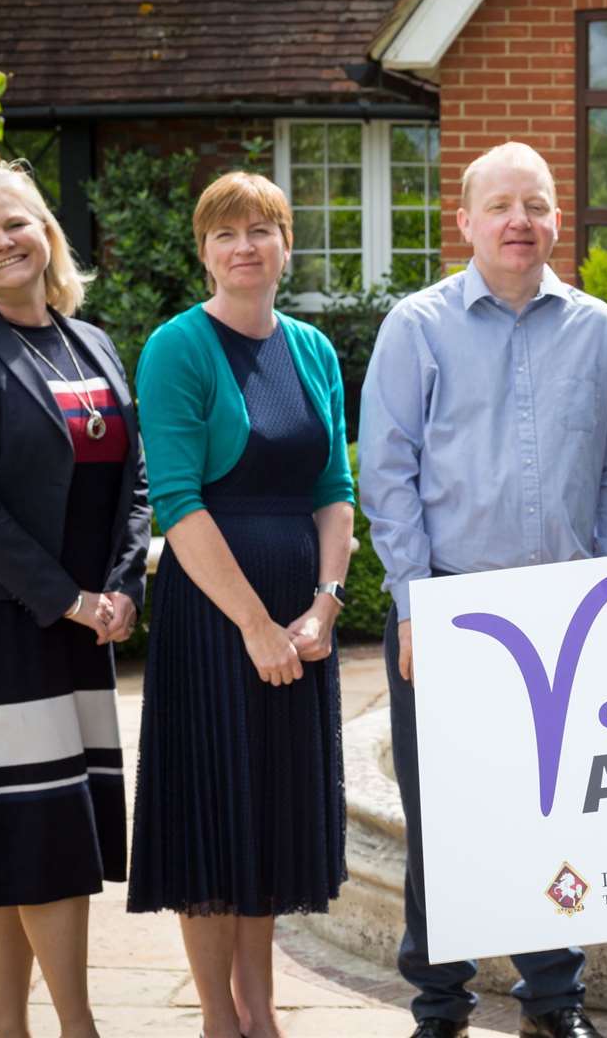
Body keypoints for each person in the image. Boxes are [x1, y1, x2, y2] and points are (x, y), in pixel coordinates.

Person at [358, 141, 607, 1038]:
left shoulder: (595, 328)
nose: (520, 221)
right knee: (443, 824)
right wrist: (410, 602)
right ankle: (438, 1009)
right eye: (501, 206)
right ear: (467, 223)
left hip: (564, 612)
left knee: (554, 816)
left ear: (559, 218)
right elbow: (388, 473)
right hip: (450, 607)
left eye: (537, 204)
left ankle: (553, 1003)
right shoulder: (418, 325)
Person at [0, 163, 150, 1038]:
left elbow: (134, 480)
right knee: (39, 829)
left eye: (15, 224)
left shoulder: (92, 342)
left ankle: (2, 1024)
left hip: (82, 618)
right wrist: (70, 600)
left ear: (46, 230)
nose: (3, 243)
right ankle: (78, 1030)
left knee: (37, 818)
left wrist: (119, 589)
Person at [127, 172, 354, 1038]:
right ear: (204, 252)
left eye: (262, 228)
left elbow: (335, 488)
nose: (245, 246)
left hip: (302, 621)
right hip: (217, 621)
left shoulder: (313, 350)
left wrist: (323, 609)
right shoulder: (177, 348)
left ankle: (262, 1012)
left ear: (286, 244)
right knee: (213, 810)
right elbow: (179, 503)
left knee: (271, 809)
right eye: (226, 233)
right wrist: (256, 626)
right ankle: (219, 1019)